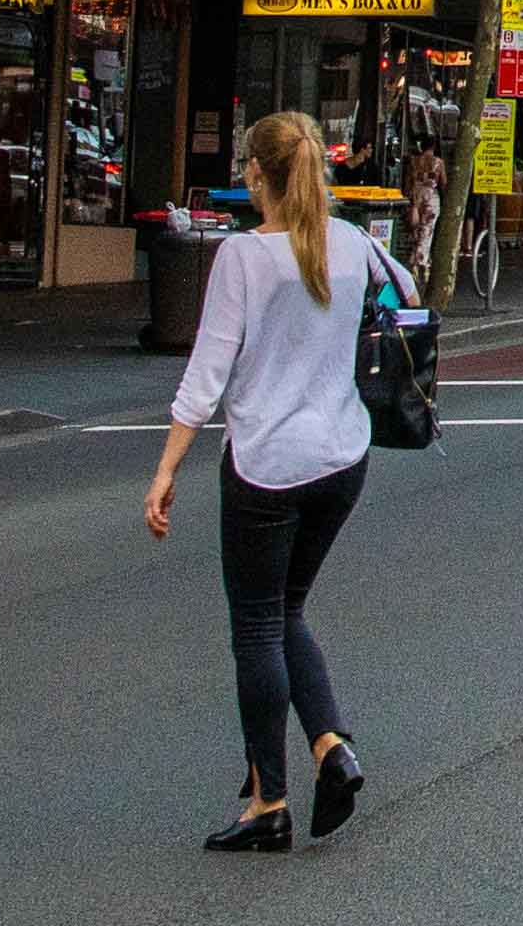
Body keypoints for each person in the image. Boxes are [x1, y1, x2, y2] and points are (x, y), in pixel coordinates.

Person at [144, 114, 391, 853]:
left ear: (257, 174)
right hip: (343, 458)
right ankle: (329, 747)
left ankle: (269, 803)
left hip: (267, 467)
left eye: (248, 168)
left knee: (256, 624)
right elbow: (407, 298)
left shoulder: (244, 258)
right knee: (286, 609)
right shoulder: (354, 245)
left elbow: (206, 374)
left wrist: (164, 470)